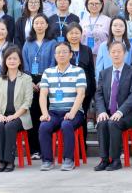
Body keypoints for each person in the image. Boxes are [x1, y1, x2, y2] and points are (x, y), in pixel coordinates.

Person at [37, 42, 87, 171]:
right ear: (54, 55)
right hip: (54, 112)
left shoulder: (78, 71)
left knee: (67, 124)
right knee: (44, 126)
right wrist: (45, 113)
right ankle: (47, 160)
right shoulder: (48, 72)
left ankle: (68, 160)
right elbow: (43, 95)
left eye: (65, 52)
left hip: (74, 112)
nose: (61, 54)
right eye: (58, 52)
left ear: (70, 55)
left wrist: (72, 113)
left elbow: (81, 94)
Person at [93, 41, 132, 171]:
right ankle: (104, 159)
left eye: (119, 52)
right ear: (109, 54)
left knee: (113, 123)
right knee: (102, 123)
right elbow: (98, 95)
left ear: (125, 54)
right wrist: (102, 111)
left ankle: (115, 160)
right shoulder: (104, 73)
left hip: (127, 114)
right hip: (108, 112)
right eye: (113, 52)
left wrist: (120, 112)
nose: (116, 54)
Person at [0, 46, 32, 172]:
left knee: (10, 126)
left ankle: (9, 161)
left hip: (20, 116)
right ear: (5, 61)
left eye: (15, 58)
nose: (12, 61)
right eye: (9, 58)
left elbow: (27, 102)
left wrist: (14, 116)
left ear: (20, 61)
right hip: (1, 114)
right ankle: (2, 161)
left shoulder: (26, 78)